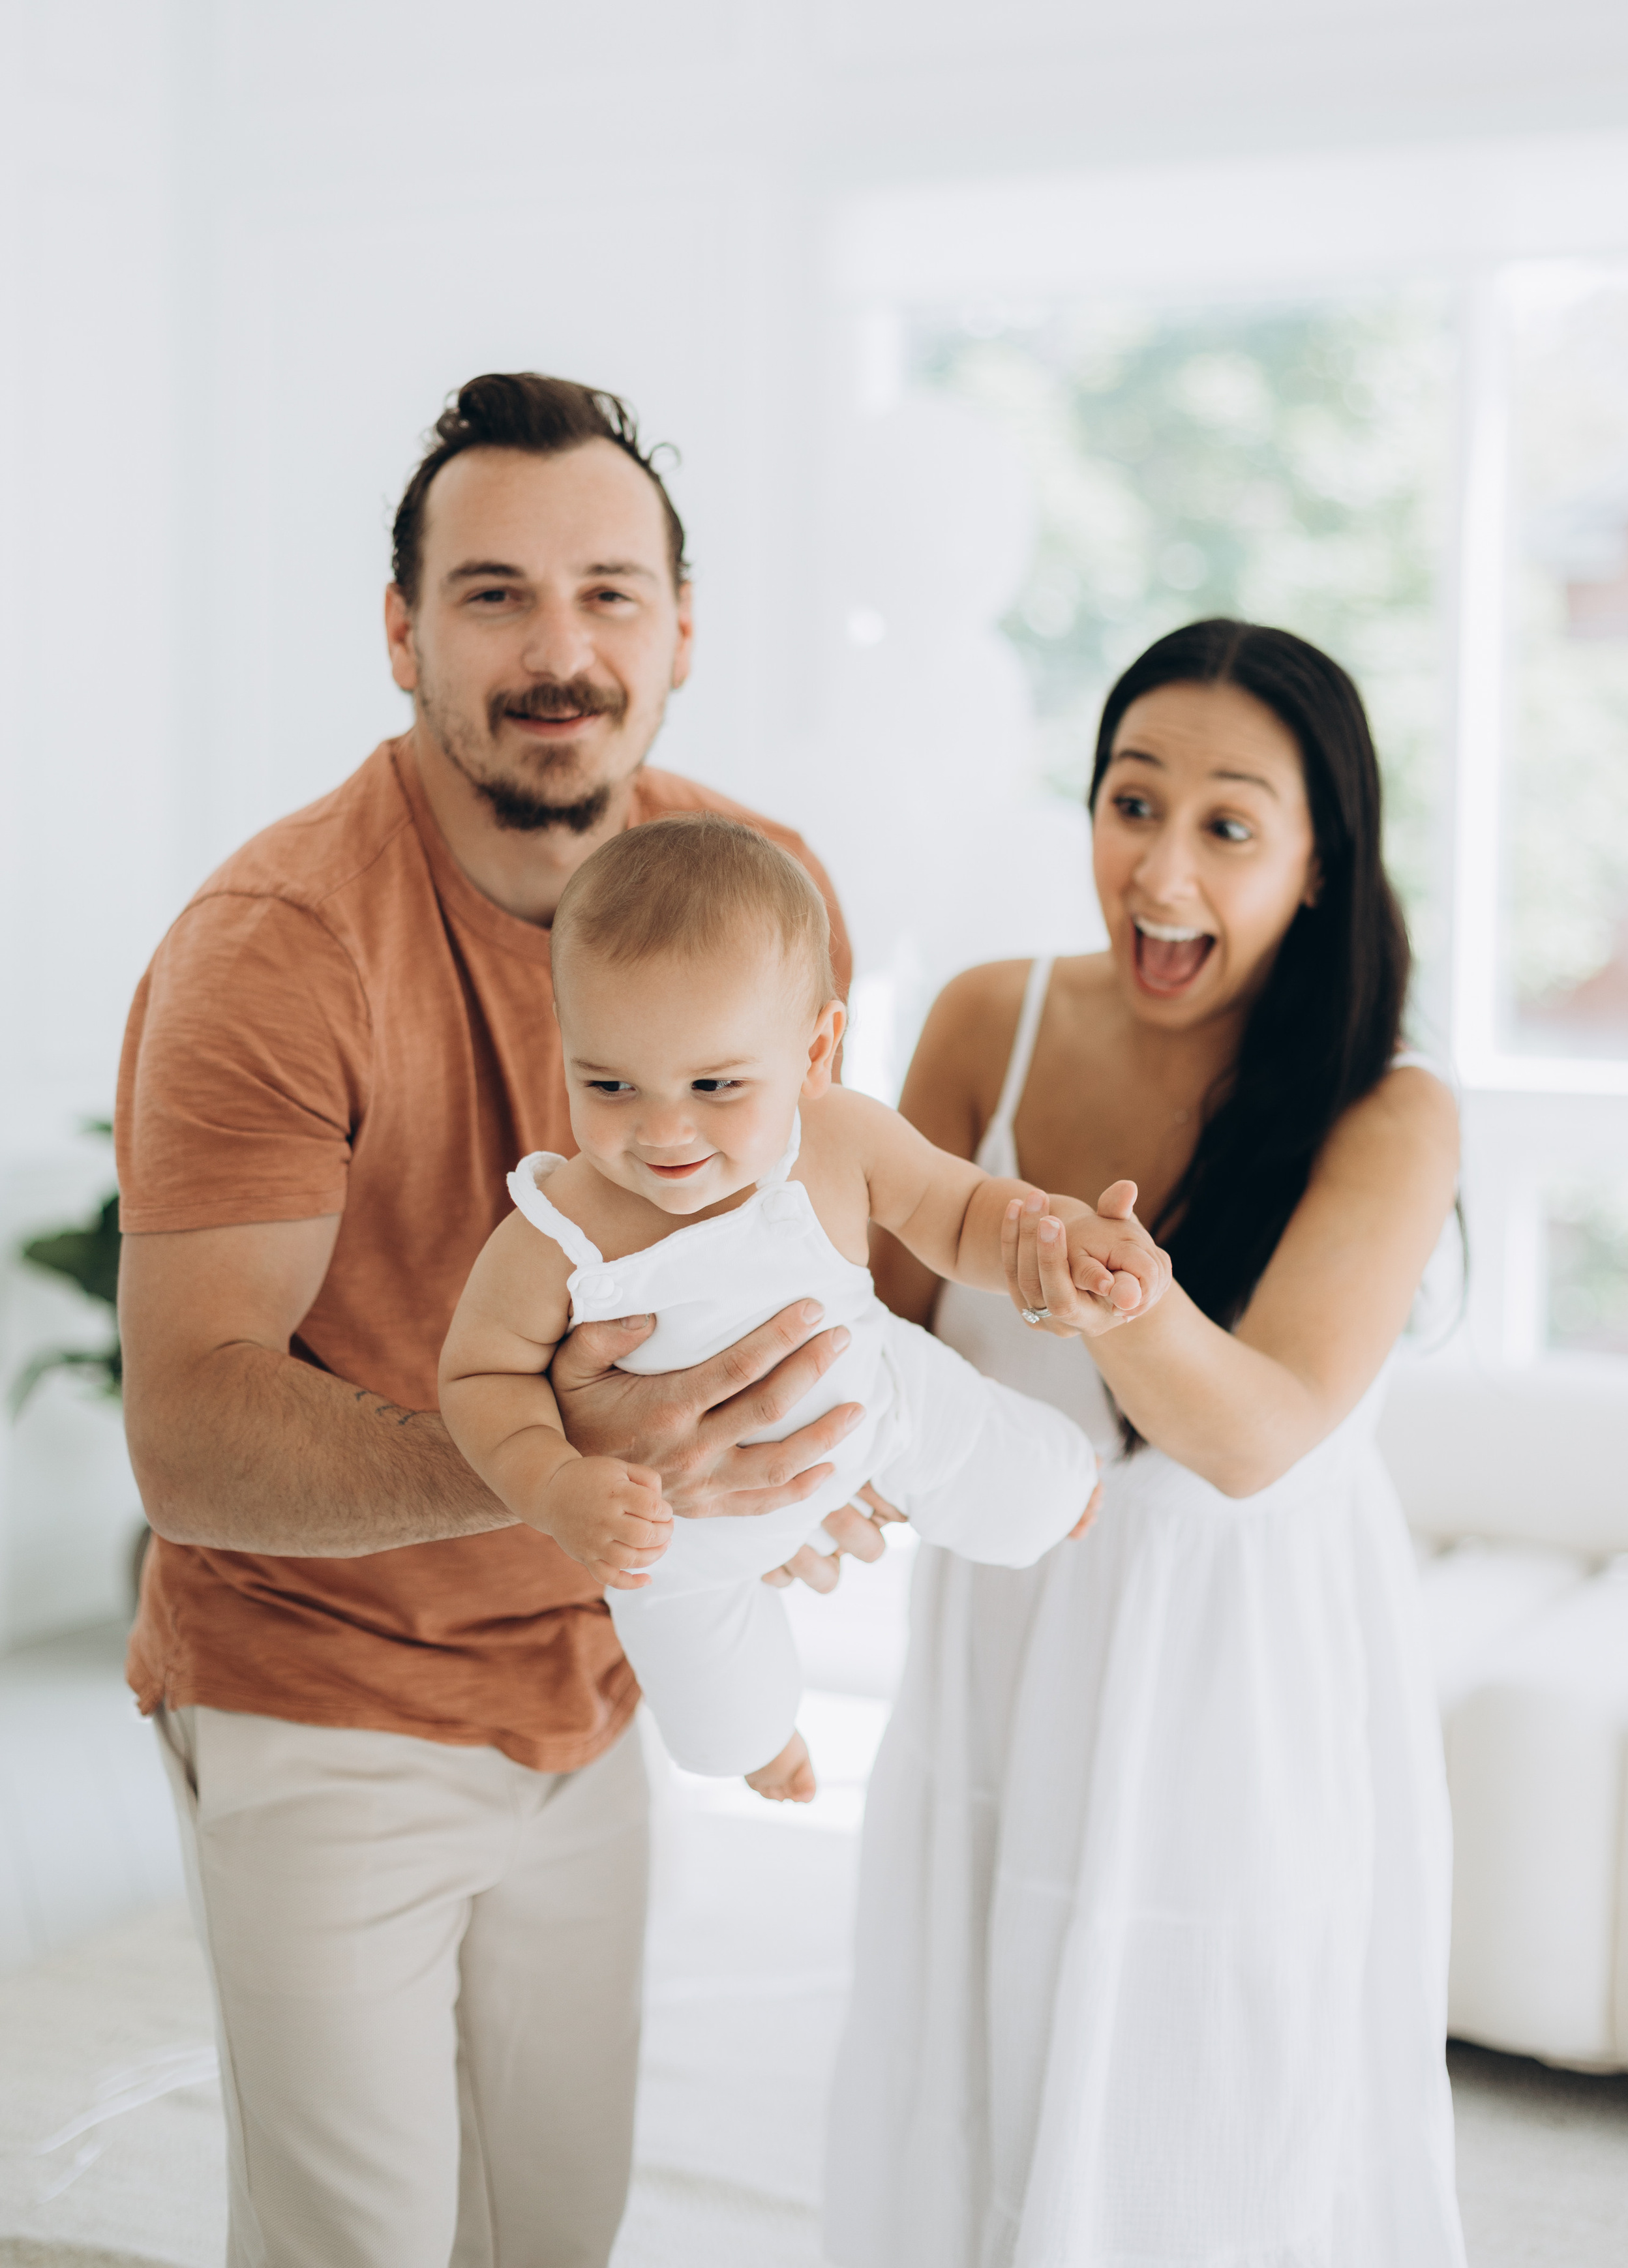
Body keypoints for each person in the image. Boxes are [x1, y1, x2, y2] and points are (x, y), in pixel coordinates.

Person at [116, 372, 871, 2268]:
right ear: (402, 634)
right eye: (494, 596)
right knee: (354, 2247)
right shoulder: (278, 947)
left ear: (682, 631)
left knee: (553, 2234)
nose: (562, 651)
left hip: (595, 1690)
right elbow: (191, 1432)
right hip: (319, 1696)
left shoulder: (759, 895)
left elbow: (821, 1234)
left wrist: (822, 1454)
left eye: (612, 592)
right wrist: (556, 1464)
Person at [826, 618, 1468, 2268]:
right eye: (1130, 802)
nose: (1160, 868)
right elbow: (874, 1347)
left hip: (1235, 1700)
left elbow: (1251, 1437)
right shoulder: (985, 1023)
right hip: (999, 1668)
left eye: (1228, 825)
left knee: (1206, 2137)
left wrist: (1097, 1286)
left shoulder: (1384, 1110)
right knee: (980, 2096)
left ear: (1319, 863)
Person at [438, 813, 1160, 1800]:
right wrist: (553, 1485)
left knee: (970, 1437)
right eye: (607, 1082)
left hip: (870, 1400)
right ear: (563, 1045)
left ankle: (1061, 1490)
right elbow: (480, 1375)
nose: (662, 1129)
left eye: (715, 1083)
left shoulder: (835, 1141)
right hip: (683, 1528)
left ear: (816, 1050)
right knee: (695, 1667)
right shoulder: (558, 1233)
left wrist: (1059, 1243)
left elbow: (963, 1215)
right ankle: (765, 1742)